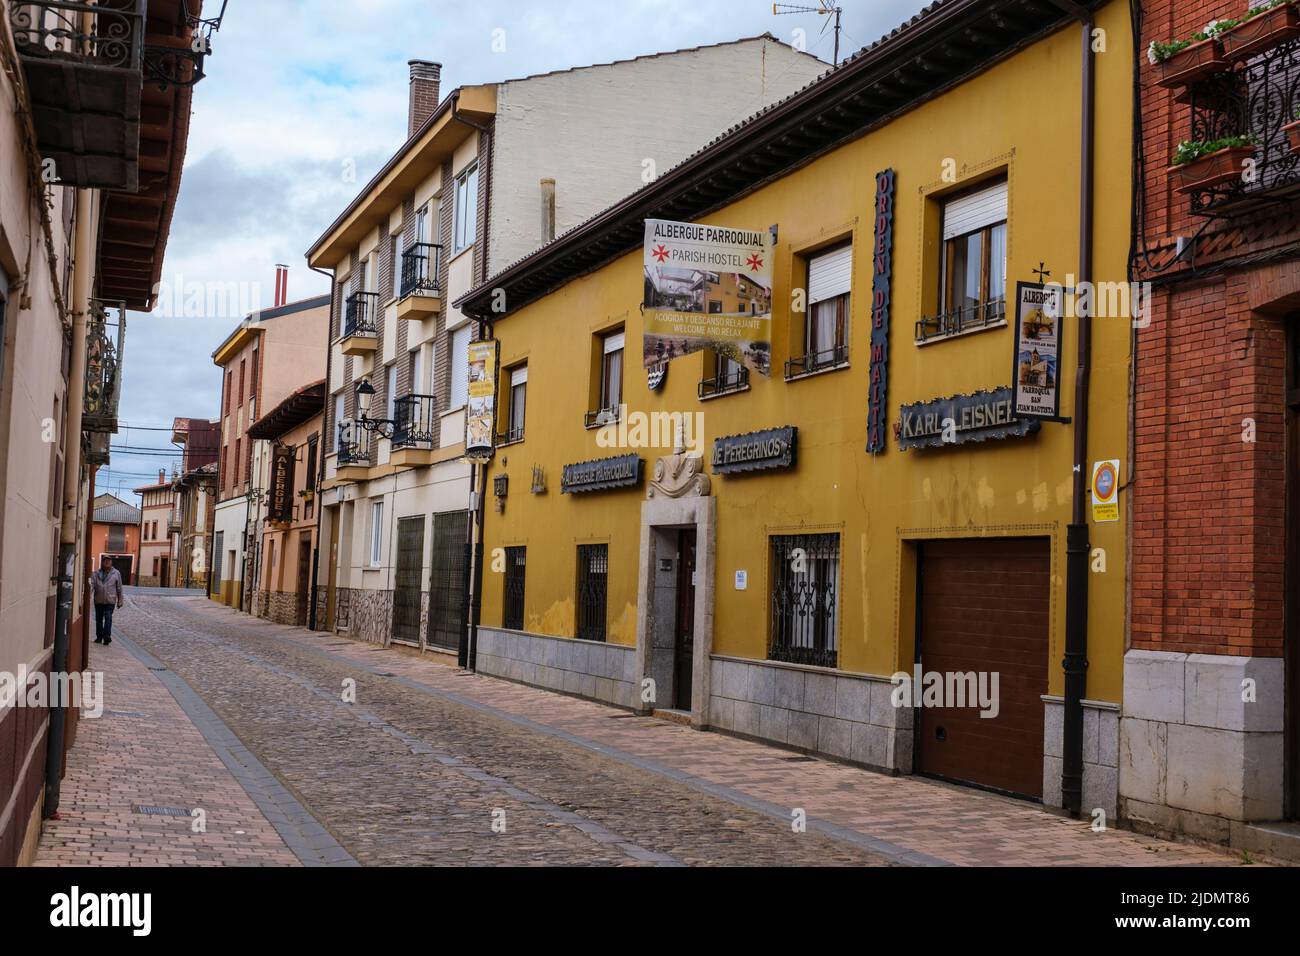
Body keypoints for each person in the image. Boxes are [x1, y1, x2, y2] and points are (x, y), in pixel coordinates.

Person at [90, 555, 124, 645]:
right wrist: (88, 595)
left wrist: (120, 600)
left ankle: (107, 636)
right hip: (99, 600)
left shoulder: (116, 573)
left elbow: (119, 588)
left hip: (110, 600)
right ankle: (99, 637)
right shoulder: (96, 573)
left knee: (108, 618)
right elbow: (92, 585)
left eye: (108, 560)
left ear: (111, 562)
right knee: (99, 620)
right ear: (102, 562)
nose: (107, 562)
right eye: (105, 560)